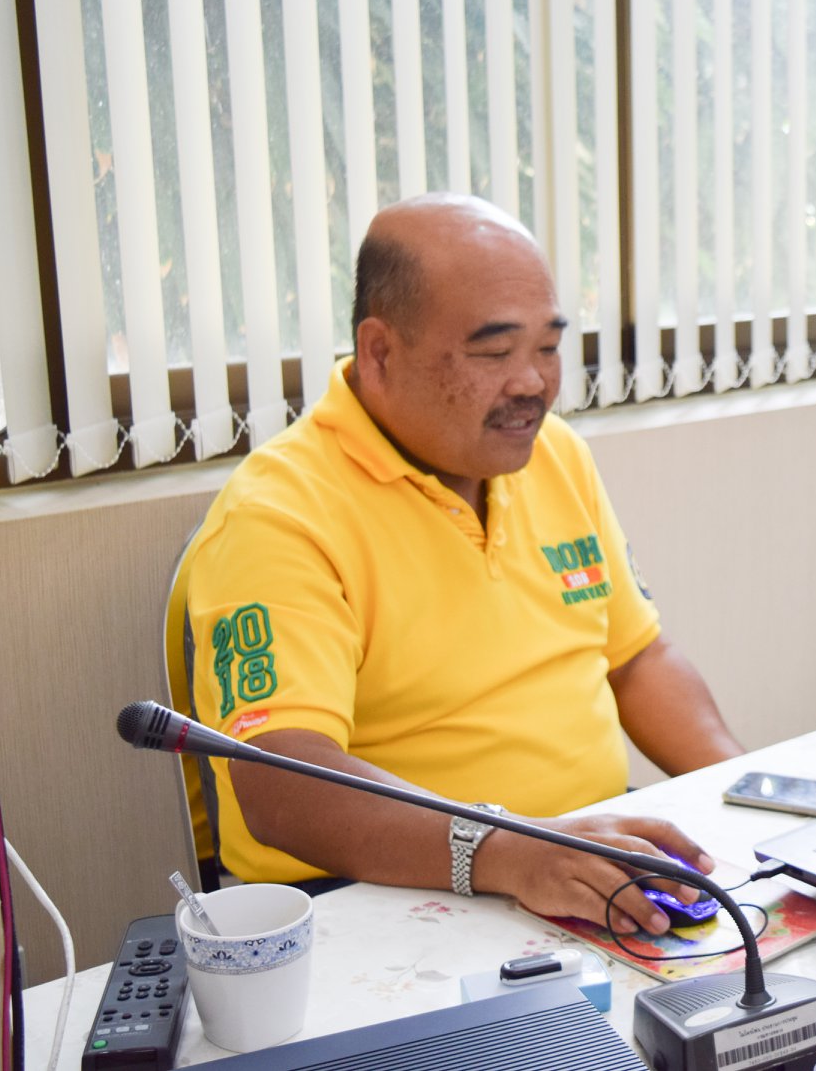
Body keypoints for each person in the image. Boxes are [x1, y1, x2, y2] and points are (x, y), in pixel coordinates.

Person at [187, 193, 744, 937]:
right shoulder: (278, 513)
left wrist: (745, 794)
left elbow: (637, 658)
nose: (532, 383)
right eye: (493, 352)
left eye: (548, 347)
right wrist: (509, 850)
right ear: (380, 352)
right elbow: (281, 782)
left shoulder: (553, 455)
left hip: (579, 861)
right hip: (383, 900)